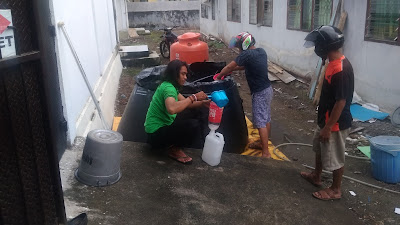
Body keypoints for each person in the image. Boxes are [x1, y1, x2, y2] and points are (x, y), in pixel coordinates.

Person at [300, 25, 354, 200]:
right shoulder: (331, 62)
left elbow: (341, 101)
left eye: (317, 45)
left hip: (335, 123)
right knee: (319, 148)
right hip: (325, 119)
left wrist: (329, 127)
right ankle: (317, 176)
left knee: (336, 156)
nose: (316, 48)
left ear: (325, 46)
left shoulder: (341, 70)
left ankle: (336, 189)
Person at [215, 32, 273, 158]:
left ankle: (266, 153)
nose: (239, 49)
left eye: (239, 47)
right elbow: (244, 66)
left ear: (244, 45)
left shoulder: (246, 54)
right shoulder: (261, 52)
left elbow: (231, 65)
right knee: (266, 117)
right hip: (268, 90)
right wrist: (233, 70)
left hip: (259, 92)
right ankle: (262, 143)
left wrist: (219, 76)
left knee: (260, 121)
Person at [144, 59, 210, 164]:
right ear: (174, 74)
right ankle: (172, 149)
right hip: (156, 136)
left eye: (186, 74)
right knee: (192, 124)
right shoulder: (168, 88)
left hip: (156, 133)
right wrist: (194, 97)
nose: (185, 77)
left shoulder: (171, 86)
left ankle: (171, 145)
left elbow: (186, 102)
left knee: (192, 112)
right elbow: (172, 109)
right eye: (183, 74)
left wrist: (203, 103)